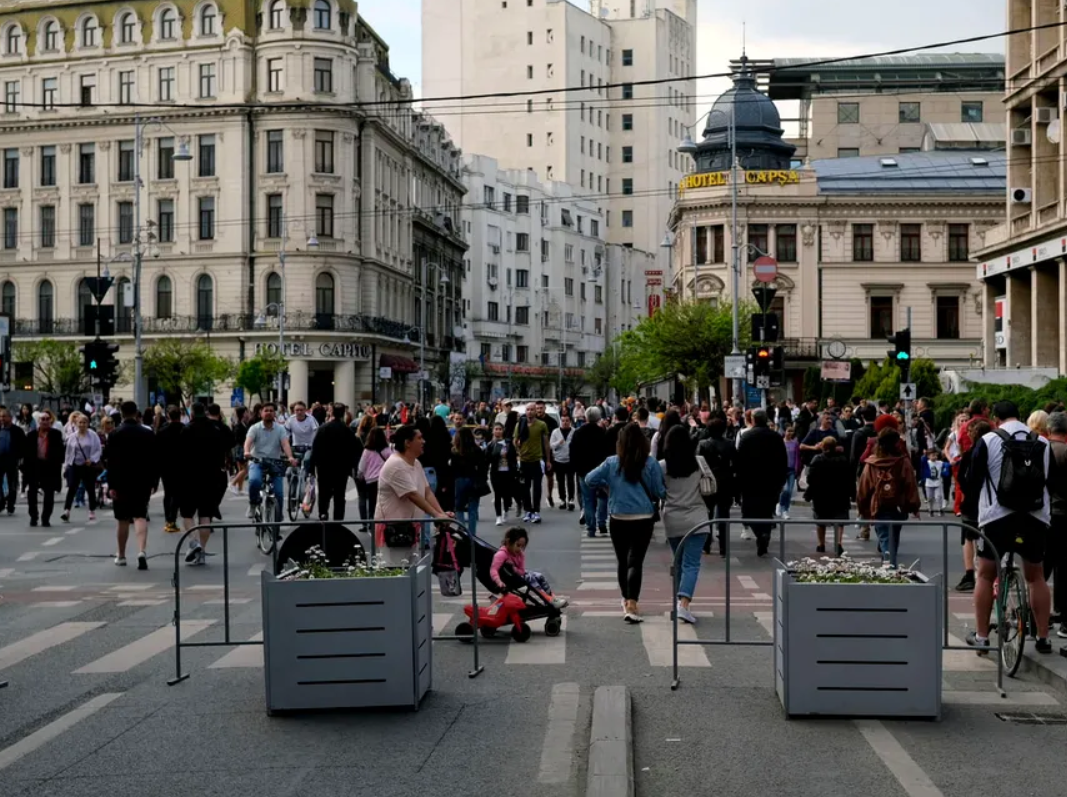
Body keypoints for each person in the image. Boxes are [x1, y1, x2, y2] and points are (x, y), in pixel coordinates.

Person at [964, 400, 1053, 655]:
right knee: (1035, 577)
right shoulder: (1043, 443)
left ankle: (982, 636)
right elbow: (1052, 482)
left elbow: (973, 480)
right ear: (1021, 416)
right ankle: (1044, 638)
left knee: (985, 575)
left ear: (995, 417)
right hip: (1035, 518)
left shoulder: (989, 440)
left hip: (996, 518)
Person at [585, 422, 666, 623]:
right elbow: (659, 492)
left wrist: (607, 487)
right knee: (636, 561)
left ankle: (625, 598)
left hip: (618, 517)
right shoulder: (651, 463)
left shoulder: (612, 462)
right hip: (644, 518)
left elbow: (588, 479)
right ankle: (632, 601)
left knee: (622, 560)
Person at [374, 425, 451, 562]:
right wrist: (436, 515)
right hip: (393, 530)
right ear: (407, 443)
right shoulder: (396, 464)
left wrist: (441, 514)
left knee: (410, 574)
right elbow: (413, 495)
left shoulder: (416, 463)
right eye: (419, 438)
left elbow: (427, 492)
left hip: (409, 529)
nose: (424, 441)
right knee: (396, 574)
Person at [659, 425, 711, 625]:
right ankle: (684, 604)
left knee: (679, 561)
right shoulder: (698, 463)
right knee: (692, 563)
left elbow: (657, 488)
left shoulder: (662, 466)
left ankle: (679, 604)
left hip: (672, 517)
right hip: (697, 516)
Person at [857, 428, 921, 568]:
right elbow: (910, 484)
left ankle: (888, 562)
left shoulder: (872, 463)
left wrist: (862, 508)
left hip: (878, 504)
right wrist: (914, 506)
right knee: (894, 535)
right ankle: (890, 562)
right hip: (898, 505)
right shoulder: (902, 462)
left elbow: (864, 487)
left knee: (884, 535)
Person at [107, 401, 159, 569]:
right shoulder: (147, 433)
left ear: (121, 414)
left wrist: (111, 485)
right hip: (142, 480)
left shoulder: (115, 434)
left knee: (122, 519)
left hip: (121, 481)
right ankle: (141, 551)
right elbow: (154, 460)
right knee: (140, 516)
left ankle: (121, 555)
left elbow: (111, 461)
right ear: (137, 413)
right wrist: (154, 481)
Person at [179, 403, 228, 567]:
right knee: (205, 516)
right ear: (205, 413)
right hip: (211, 477)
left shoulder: (187, 430)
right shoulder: (215, 430)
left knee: (187, 514)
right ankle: (202, 551)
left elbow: (182, 455)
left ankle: (194, 542)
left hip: (190, 477)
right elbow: (222, 452)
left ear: (192, 413)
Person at [735, 409, 788, 557]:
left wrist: (739, 481)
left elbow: (739, 461)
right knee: (767, 510)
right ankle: (764, 533)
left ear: (753, 419)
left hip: (750, 481)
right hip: (771, 481)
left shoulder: (747, 437)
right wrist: (782, 479)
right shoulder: (776, 437)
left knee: (750, 511)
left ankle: (760, 533)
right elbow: (782, 460)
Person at [243, 402, 299, 521]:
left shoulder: (280, 429)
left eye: (271, 411)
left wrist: (290, 457)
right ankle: (253, 504)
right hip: (257, 461)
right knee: (254, 481)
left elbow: (285, 443)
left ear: (275, 413)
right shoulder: (255, 428)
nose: (269, 413)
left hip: (275, 462)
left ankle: (278, 517)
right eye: (266, 410)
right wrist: (247, 452)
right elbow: (248, 442)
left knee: (278, 493)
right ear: (261, 413)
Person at [954, 418, 991, 593]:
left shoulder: (970, 454)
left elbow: (962, 478)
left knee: (968, 537)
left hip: (972, 503)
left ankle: (970, 573)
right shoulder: (995, 451)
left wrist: (969, 492)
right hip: (991, 502)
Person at [490, 526, 567, 608]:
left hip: (517, 576)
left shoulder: (520, 554)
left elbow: (521, 571)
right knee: (530, 578)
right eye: (518, 545)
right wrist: (499, 582)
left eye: (522, 546)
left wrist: (514, 569)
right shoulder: (501, 554)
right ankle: (548, 600)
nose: (520, 549)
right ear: (509, 542)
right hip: (508, 580)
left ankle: (551, 598)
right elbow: (493, 569)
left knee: (539, 576)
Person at [804, 436, 852, 557]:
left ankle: (821, 544)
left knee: (820, 520)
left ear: (823, 446)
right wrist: (852, 493)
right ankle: (838, 542)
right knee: (839, 519)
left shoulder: (817, 459)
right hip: (840, 494)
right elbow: (849, 478)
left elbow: (810, 478)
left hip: (821, 494)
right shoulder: (842, 459)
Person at [312, 403, 360, 521]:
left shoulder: (323, 429)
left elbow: (316, 448)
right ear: (343, 413)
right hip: (342, 468)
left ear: (331, 412)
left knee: (324, 493)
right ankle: (338, 519)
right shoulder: (347, 430)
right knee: (340, 495)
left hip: (324, 467)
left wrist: (312, 467)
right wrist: (353, 466)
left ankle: (323, 513)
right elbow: (355, 450)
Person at [697, 417, 736, 556]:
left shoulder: (703, 444)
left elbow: (698, 464)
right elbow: (736, 463)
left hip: (708, 482)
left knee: (708, 514)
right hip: (726, 481)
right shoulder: (730, 444)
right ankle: (723, 548)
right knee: (724, 515)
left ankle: (706, 544)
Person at [1045, 412, 1067, 638]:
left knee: (1042, 568)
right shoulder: (1065, 452)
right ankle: (1063, 616)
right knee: (1063, 568)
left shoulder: (1041, 449)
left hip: (1043, 515)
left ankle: (1037, 618)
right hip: (1063, 514)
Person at [22, 409, 64, 528]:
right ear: (39, 421)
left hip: (49, 467)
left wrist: (57, 463)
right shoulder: (31, 435)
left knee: (49, 493)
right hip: (35, 467)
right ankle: (33, 516)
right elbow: (27, 453)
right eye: (42, 419)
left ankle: (46, 518)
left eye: (47, 419)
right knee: (32, 493)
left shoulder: (56, 434)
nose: (45, 422)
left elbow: (60, 451)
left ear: (50, 421)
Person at [571, 406, 609, 536]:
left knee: (588, 500)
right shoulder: (603, 432)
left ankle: (591, 528)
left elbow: (573, 453)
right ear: (598, 418)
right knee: (603, 497)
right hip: (601, 470)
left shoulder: (578, 432)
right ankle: (602, 523)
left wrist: (576, 469)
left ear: (585, 417)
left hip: (584, 471)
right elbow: (607, 452)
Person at [60, 412, 102, 523]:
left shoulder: (93, 435)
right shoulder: (72, 437)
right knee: (72, 488)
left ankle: (91, 510)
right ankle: (67, 511)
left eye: (84, 422)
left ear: (88, 423)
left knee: (90, 488)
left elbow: (98, 449)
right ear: (76, 424)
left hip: (88, 466)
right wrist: (67, 465)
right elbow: (68, 452)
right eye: (80, 422)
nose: (82, 425)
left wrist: (92, 459)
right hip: (75, 465)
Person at [514, 404, 551, 524]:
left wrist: (548, 460)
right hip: (524, 461)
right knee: (525, 487)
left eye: (532, 410)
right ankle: (527, 510)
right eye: (528, 410)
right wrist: (518, 451)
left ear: (536, 412)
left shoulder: (541, 425)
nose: (529, 412)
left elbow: (546, 443)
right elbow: (515, 441)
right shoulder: (520, 424)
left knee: (537, 487)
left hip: (537, 460)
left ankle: (536, 511)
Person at [452, 426, 488, 539]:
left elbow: (452, 468)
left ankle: (461, 530)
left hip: (460, 480)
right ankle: (472, 535)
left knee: (459, 508)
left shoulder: (455, 451)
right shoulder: (477, 450)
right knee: (473, 509)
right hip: (474, 480)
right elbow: (484, 467)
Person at [156, 406, 185, 533]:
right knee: (177, 493)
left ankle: (168, 519)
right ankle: (172, 518)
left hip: (165, 466)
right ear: (180, 415)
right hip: (181, 465)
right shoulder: (185, 430)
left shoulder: (162, 431)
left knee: (168, 493)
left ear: (168, 416)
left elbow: (157, 449)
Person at [487, 422, 516, 526]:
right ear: (493, 431)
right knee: (497, 494)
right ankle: (498, 516)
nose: (498, 431)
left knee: (507, 495)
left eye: (500, 429)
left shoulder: (508, 443)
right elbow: (487, 459)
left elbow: (513, 457)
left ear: (503, 431)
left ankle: (506, 510)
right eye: (496, 429)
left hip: (507, 473)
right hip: (495, 473)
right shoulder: (491, 445)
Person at [0, 408, 25, 514]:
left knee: (12, 483)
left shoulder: (17, 431)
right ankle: (1, 503)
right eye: (0, 417)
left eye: (4, 416)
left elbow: (23, 446)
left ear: (10, 418)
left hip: (12, 459)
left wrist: (20, 458)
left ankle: (11, 504)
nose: (2, 419)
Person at [550, 414, 576, 511]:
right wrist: (558, 442)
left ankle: (571, 500)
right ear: (560, 421)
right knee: (560, 481)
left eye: (567, 421)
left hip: (570, 460)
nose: (565, 422)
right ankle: (562, 500)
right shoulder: (555, 432)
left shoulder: (574, 431)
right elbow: (551, 445)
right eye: (563, 420)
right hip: (558, 460)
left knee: (570, 480)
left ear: (570, 422)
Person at [777, 425, 800, 520]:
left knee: (790, 491)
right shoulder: (780, 443)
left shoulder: (795, 443)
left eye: (792, 431)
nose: (790, 433)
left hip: (791, 470)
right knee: (785, 490)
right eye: (788, 431)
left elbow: (797, 457)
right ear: (784, 432)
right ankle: (780, 505)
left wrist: (796, 468)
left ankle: (785, 510)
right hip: (782, 469)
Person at [920, 448, 949, 516]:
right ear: (929, 456)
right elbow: (922, 461)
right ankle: (930, 510)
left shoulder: (939, 462)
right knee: (930, 498)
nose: (935, 457)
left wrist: (947, 467)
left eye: (936, 455)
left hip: (938, 483)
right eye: (933, 455)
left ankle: (940, 509)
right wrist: (924, 455)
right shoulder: (927, 463)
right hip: (929, 484)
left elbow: (947, 464)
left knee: (938, 497)